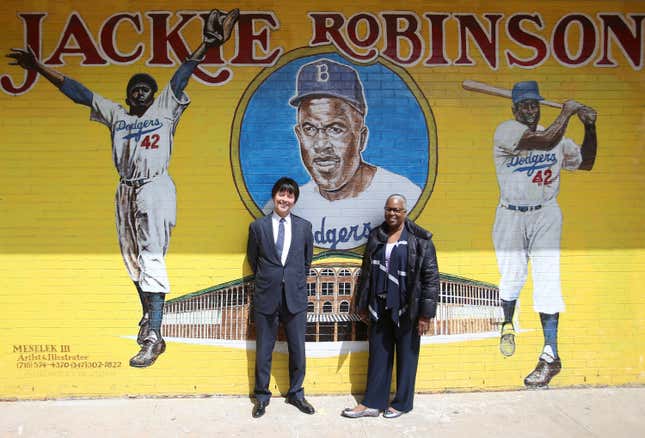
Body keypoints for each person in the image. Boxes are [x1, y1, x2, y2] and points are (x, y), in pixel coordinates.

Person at [6, 8, 240, 368]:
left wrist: (205, 46)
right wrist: (39, 67)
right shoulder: (118, 116)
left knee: (152, 258)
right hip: (126, 191)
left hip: (154, 186)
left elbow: (181, 77)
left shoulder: (163, 110)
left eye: (147, 88)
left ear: (153, 95)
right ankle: (150, 316)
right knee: (133, 263)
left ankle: (153, 336)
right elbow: (79, 93)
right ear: (129, 96)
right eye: (136, 88)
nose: (142, 91)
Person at [493, 81, 598, 387]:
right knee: (511, 280)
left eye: (534, 104)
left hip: (545, 213)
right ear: (515, 110)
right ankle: (508, 322)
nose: (530, 109)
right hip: (510, 214)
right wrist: (567, 113)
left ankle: (550, 354)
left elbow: (587, 163)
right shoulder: (506, 131)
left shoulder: (557, 136)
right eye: (525, 105)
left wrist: (590, 127)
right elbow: (542, 141)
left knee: (547, 279)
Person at [264, 58, 422, 250]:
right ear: (299, 136)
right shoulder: (285, 208)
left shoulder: (405, 195)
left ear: (361, 138)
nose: (321, 145)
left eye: (335, 129)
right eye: (310, 129)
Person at [342, 194, 439, 419]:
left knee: (407, 356)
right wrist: (363, 304)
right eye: (389, 209)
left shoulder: (421, 239)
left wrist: (426, 315)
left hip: (408, 308)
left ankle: (402, 404)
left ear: (405, 212)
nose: (392, 214)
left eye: (397, 210)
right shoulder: (377, 236)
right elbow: (366, 273)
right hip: (380, 305)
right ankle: (373, 403)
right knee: (378, 355)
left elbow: (431, 278)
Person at [247, 177, 315, 418]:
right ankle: (262, 396)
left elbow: (307, 262)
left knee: (298, 349)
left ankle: (296, 393)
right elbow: (253, 260)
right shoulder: (258, 227)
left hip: (294, 298)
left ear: (294, 200)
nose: (285, 199)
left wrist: (291, 280)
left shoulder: (304, 227)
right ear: (274, 196)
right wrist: (272, 279)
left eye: (290, 195)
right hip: (267, 296)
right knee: (264, 349)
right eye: (281, 194)